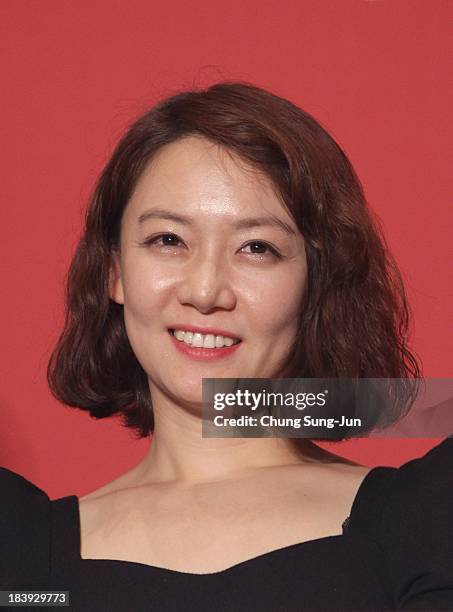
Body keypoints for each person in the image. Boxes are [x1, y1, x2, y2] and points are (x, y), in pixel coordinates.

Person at [1, 81, 452, 611]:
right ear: (115, 271)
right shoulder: (23, 557)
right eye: (168, 240)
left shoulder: (425, 522)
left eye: (256, 248)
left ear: (317, 282)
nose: (205, 291)